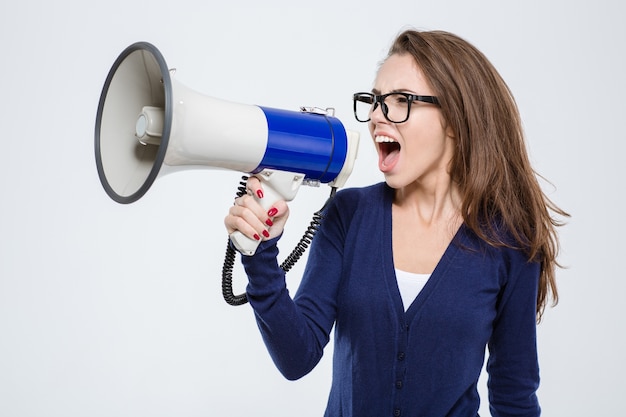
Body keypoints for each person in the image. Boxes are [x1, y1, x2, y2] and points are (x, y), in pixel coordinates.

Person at [224, 28, 568, 417]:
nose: (375, 116)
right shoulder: (349, 215)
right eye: (374, 101)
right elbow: (297, 358)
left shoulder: (509, 244)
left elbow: (513, 395)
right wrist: (260, 255)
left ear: (455, 119)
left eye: (400, 101)